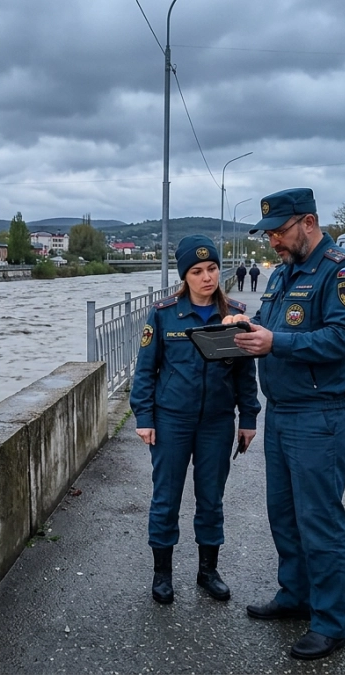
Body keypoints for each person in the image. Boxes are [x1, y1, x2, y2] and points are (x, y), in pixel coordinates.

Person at [224, 188, 345, 660]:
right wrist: (242, 326)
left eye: (279, 232)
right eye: (268, 234)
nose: (273, 242)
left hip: (320, 413)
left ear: (308, 222)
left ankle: (329, 623)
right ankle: (295, 594)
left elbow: (343, 339)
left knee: (319, 520)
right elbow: (271, 324)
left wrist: (277, 344)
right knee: (284, 514)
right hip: (283, 411)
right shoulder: (284, 274)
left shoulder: (343, 273)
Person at [130, 234, 261, 606]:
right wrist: (144, 417)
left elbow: (245, 374)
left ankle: (208, 571)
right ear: (184, 276)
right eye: (197, 271)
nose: (207, 277)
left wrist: (248, 418)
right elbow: (146, 371)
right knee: (166, 498)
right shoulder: (164, 314)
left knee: (211, 499)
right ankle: (162, 574)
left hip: (217, 422)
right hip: (172, 421)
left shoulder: (234, 315)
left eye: (212, 268)